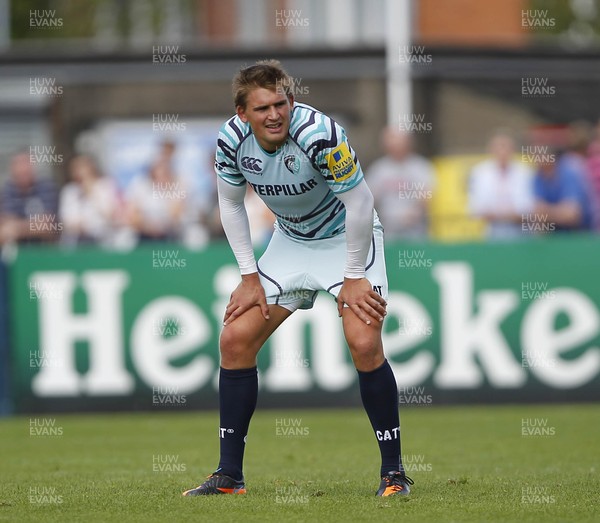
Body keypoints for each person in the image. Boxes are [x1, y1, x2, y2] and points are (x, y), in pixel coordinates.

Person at [182, 60, 413, 498]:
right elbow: (230, 206)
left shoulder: (320, 134)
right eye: (263, 107)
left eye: (281, 103)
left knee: (364, 343)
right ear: (241, 113)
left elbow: (361, 204)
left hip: (348, 238)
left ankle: (393, 473)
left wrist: (353, 276)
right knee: (235, 339)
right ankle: (229, 475)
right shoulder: (230, 140)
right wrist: (249, 276)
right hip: (290, 242)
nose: (274, 114)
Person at [367, 129, 435, 239]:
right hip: (387, 229)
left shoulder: (420, 167)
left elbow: (427, 195)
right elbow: (370, 198)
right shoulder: (379, 169)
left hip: (415, 230)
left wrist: (414, 214)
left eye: (400, 144)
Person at [468, 131, 534, 239]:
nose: (503, 152)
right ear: (491, 150)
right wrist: (507, 215)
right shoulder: (480, 173)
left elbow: (528, 207)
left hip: (522, 232)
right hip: (493, 231)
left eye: (506, 147)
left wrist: (501, 214)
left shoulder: (525, 172)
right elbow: (477, 208)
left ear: (513, 149)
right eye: (499, 147)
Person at [58, 155, 119, 246]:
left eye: (82, 167)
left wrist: (91, 193)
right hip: (77, 241)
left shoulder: (106, 186)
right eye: (75, 168)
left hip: (104, 240)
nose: (79, 172)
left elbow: (110, 216)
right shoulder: (69, 191)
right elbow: (68, 222)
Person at [0, 152, 59, 245]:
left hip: (46, 249)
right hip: (16, 250)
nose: (23, 169)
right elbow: (4, 228)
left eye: (26, 163)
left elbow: (47, 226)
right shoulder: (8, 189)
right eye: (19, 164)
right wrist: (33, 225)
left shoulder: (46, 187)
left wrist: (16, 228)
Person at [531, 150, 593, 232]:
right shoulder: (538, 177)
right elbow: (537, 214)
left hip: (580, 234)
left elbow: (571, 215)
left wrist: (546, 213)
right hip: (554, 234)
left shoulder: (568, 174)